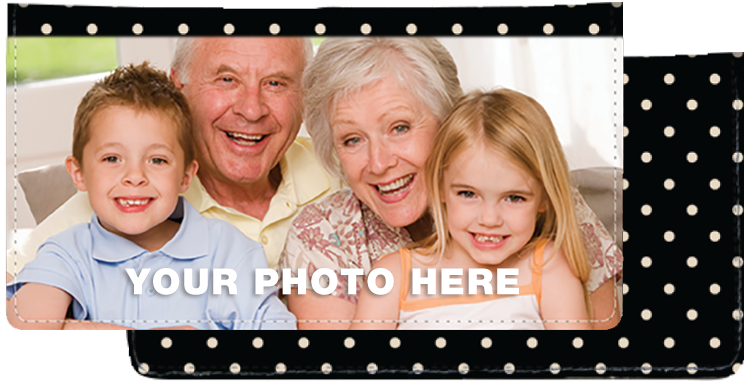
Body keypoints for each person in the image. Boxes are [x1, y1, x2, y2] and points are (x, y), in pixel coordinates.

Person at [279, 38, 622, 330]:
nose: (379, 162)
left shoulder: (541, 219)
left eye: (400, 127)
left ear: (449, 122)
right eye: (352, 139)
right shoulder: (324, 237)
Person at [6, 37, 343, 285]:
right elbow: (11, 295)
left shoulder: (345, 166)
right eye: (227, 80)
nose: (251, 110)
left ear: (305, 94)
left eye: (276, 83)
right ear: (179, 87)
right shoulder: (130, 198)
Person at [5, 63, 295, 330]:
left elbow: (278, 342)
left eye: (157, 160)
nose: (134, 176)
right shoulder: (68, 252)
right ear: (78, 173)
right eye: (111, 158)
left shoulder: (228, 252)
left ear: (185, 176)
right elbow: (32, 323)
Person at [350, 89, 592, 330]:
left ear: (545, 198)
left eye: (514, 198)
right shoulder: (395, 276)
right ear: (440, 186)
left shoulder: (547, 266)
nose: (489, 219)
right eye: (468, 194)